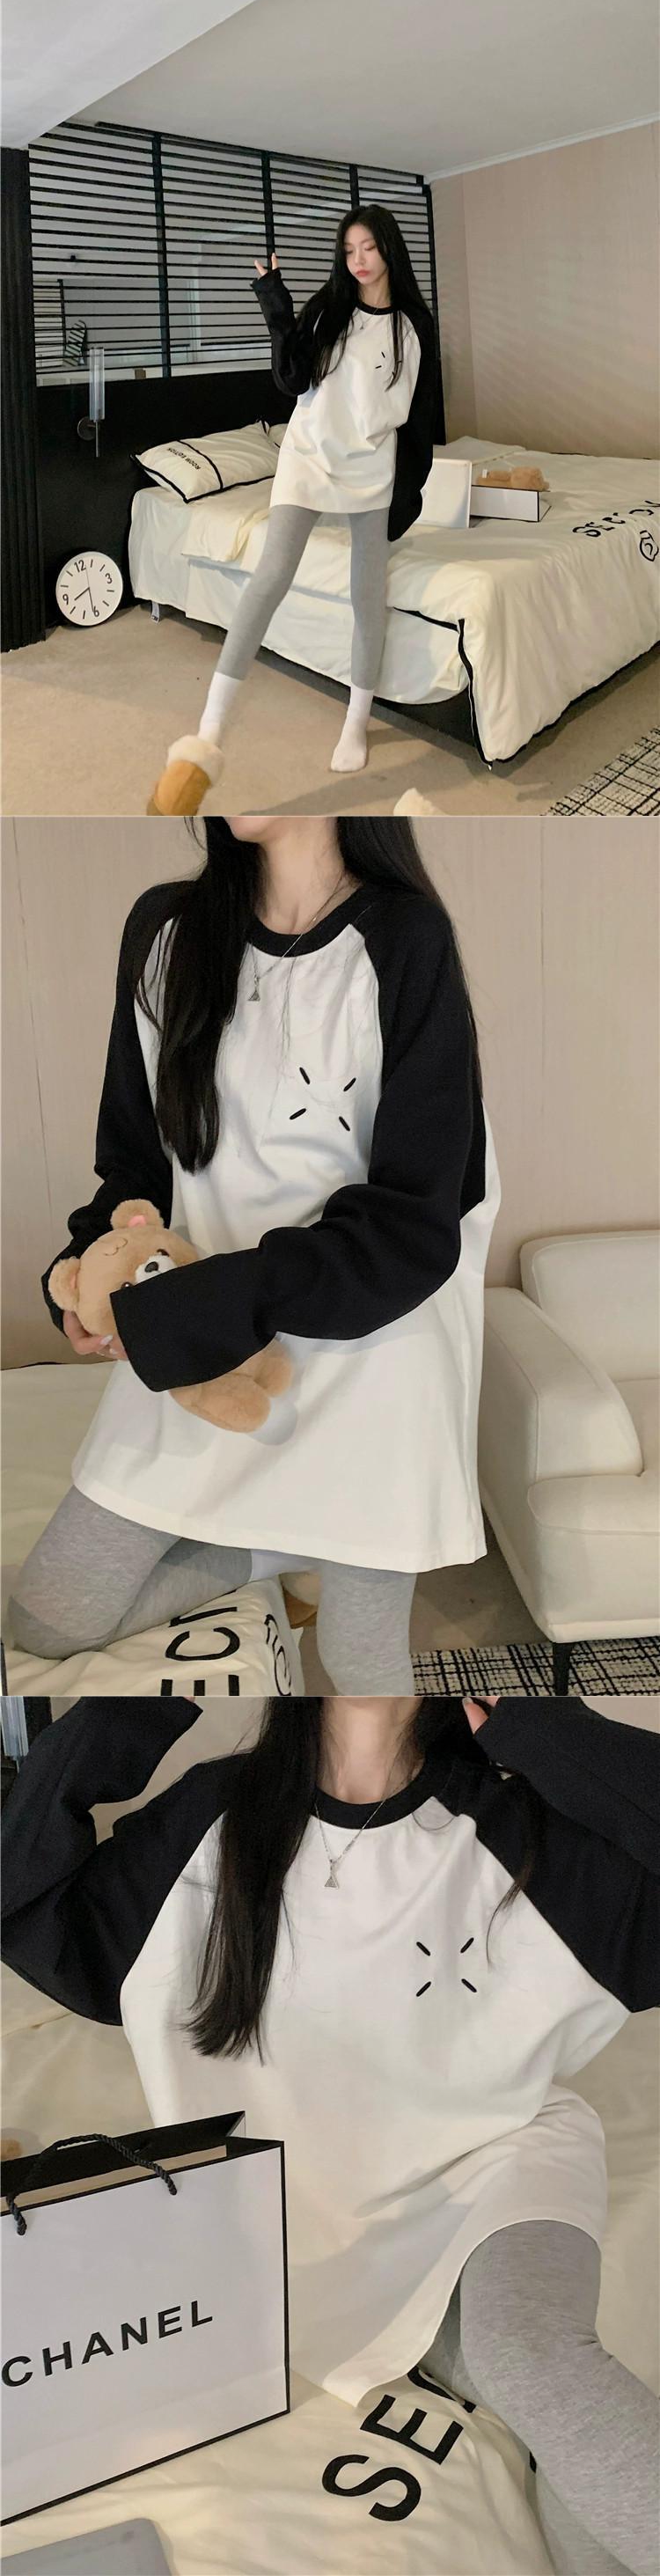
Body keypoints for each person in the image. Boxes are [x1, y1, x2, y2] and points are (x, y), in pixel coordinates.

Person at [2, 1685, 658, 2576]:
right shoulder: (214, 1814)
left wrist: (543, 1728)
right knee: (540, 2417)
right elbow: (23, 1898)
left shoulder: (513, 1823)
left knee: (532, 2364)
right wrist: (136, 1704)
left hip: (497, 2167)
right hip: (281, 2217)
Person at [9, 816, 499, 1692]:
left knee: (358, 1662)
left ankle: (305, 1550)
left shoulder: (405, 937)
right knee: (47, 1621)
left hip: (371, 1356)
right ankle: (267, 1552)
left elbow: (417, 1221)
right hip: (199, 1353)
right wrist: (87, 1272)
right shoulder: (165, 931)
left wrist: (205, 1306)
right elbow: (134, 1163)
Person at [148, 209, 438, 815]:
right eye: (349, 250)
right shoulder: (328, 308)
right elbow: (291, 379)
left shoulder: (413, 325)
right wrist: (275, 303)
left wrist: (410, 482)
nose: (359, 260)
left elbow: (415, 409)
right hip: (306, 458)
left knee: (367, 593)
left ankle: (356, 721)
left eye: (369, 247)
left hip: (370, 467)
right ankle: (211, 728)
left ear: (389, 249)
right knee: (270, 578)